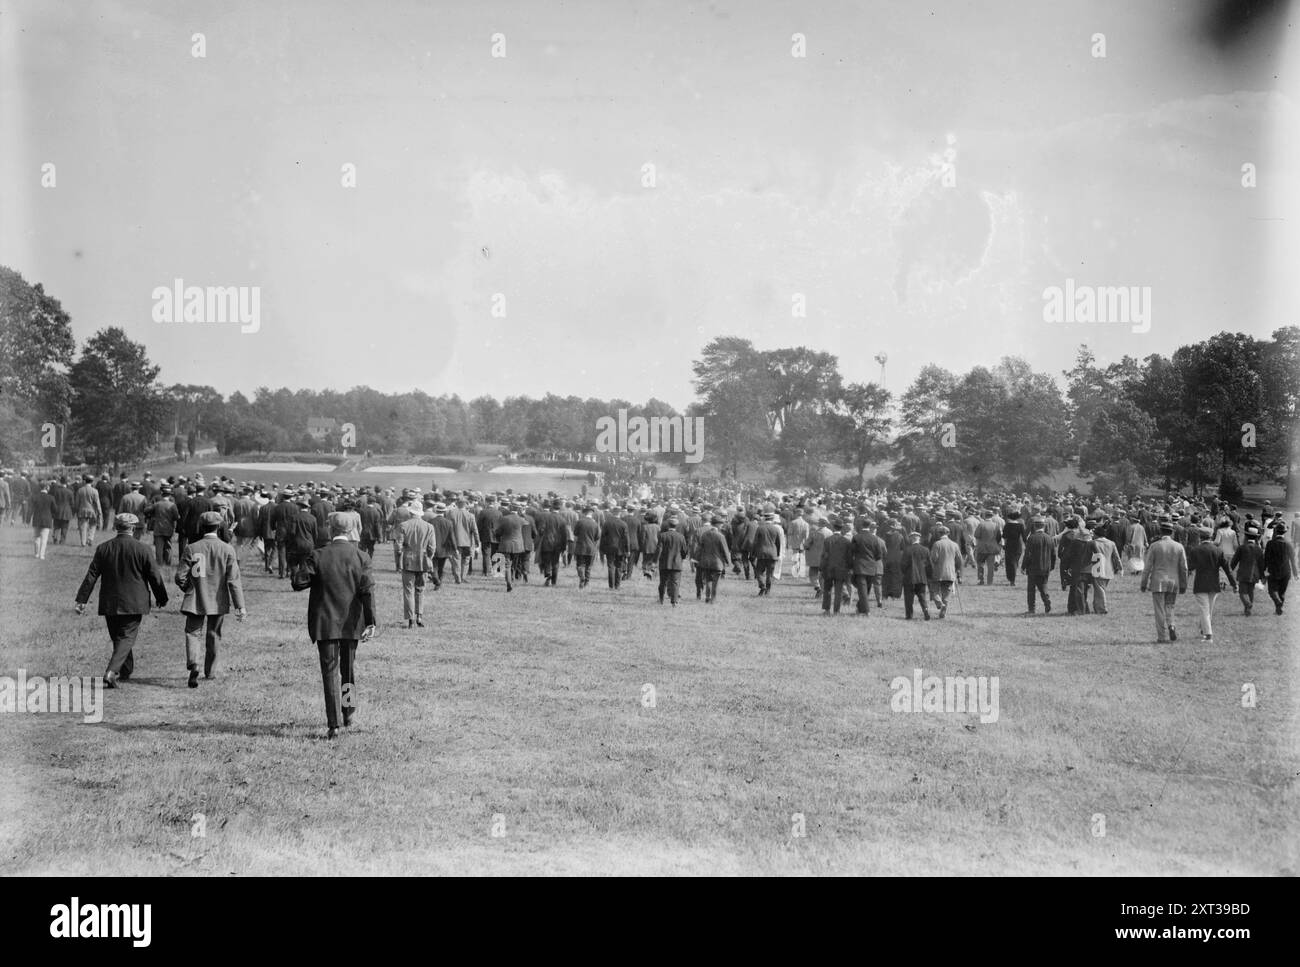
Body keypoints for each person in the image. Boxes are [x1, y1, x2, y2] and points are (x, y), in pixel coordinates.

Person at [297, 514, 376, 739]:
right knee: (347, 670)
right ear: (351, 529)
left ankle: (333, 724)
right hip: (351, 623)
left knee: (329, 673)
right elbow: (367, 591)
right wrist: (371, 622)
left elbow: (298, 582)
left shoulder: (318, 555)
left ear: (330, 529)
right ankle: (348, 711)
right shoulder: (361, 556)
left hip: (325, 622)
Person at [74, 513, 169, 687]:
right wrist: (161, 597)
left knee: (119, 637)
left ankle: (126, 669)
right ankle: (111, 672)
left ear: (116, 527)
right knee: (126, 637)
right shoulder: (143, 549)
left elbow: (92, 575)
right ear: (133, 528)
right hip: (134, 602)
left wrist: (82, 599)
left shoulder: (103, 548)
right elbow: (155, 576)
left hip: (110, 602)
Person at [177, 511, 247, 686]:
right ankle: (210, 671)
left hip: (195, 598)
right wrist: (240, 606)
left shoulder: (191, 548)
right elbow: (234, 581)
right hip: (218, 599)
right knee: (214, 634)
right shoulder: (227, 549)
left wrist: (189, 588)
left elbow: (180, 577)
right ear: (219, 527)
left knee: (192, 632)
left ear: (201, 526)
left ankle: (193, 662)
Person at [1141, 522, 1188, 643]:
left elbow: (1147, 567)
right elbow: (1184, 568)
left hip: (1158, 581)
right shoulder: (1179, 546)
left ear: (1161, 532)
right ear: (1172, 533)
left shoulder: (1155, 546)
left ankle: (1161, 636)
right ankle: (1171, 625)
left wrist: (1143, 583)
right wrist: (1184, 584)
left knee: (1159, 609)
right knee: (1170, 606)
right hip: (1174, 581)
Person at [1186, 525, 1234, 641]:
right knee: (1209, 610)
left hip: (1201, 583)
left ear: (1200, 537)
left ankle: (1208, 635)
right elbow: (1227, 569)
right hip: (1214, 584)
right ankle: (1204, 629)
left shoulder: (1195, 550)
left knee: (1204, 609)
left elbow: (1190, 567)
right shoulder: (1218, 550)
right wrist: (1234, 583)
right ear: (1211, 536)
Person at [395, 505, 437, 623]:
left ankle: (410, 618)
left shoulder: (403, 525)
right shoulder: (429, 527)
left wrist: (399, 559)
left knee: (408, 590)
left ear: (410, 513)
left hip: (408, 560)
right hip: (423, 560)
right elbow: (432, 547)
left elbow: (398, 546)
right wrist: (429, 557)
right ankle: (419, 616)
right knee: (420, 589)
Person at [850, 517, 885, 614]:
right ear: (870, 526)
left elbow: (852, 552)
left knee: (862, 590)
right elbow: (879, 555)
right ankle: (860, 608)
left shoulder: (856, 537)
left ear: (862, 525)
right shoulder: (875, 538)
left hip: (860, 566)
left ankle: (866, 611)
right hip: (871, 567)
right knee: (866, 590)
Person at [1021, 517, 1056, 615]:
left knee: (1031, 589)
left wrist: (1023, 566)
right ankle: (1046, 601)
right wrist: (1052, 566)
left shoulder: (1032, 538)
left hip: (1033, 567)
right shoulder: (1049, 538)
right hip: (1046, 567)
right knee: (1043, 585)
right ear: (1044, 526)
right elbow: (1053, 554)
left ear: (1035, 526)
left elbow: (1027, 554)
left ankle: (1031, 609)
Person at [819, 519, 853, 615]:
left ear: (833, 527)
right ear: (842, 528)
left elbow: (824, 556)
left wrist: (821, 568)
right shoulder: (846, 541)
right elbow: (849, 557)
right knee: (838, 591)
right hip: (841, 569)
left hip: (829, 568)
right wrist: (850, 568)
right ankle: (836, 610)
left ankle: (826, 610)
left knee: (827, 590)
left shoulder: (827, 540)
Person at [695, 514, 731, 603]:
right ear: (717, 524)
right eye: (721, 524)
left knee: (708, 580)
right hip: (717, 562)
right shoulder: (720, 536)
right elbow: (725, 550)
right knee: (716, 581)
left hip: (705, 562)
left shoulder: (704, 535)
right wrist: (728, 562)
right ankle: (713, 598)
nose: (722, 525)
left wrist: (696, 559)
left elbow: (699, 548)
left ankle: (707, 597)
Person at [928, 524, 962, 618]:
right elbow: (959, 560)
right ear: (948, 533)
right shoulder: (955, 544)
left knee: (934, 590)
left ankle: (939, 602)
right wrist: (958, 570)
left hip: (938, 572)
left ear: (939, 534)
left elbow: (934, 558)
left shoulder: (937, 544)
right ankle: (944, 607)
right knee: (946, 593)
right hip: (950, 573)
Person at [1230, 526, 1266, 615]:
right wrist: (1262, 576)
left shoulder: (1242, 547)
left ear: (1246, 536)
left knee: (1242, 592)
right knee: (1250, 591)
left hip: (1243, 572)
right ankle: (1248, 610)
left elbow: (1234, 560)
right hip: (1254, 574)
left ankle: (1248, 604)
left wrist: (1231, 569)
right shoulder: (1259, 549)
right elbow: (1261, 564)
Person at [1089, 520, 1122, 615]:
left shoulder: (1093, 543)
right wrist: (1120, 568)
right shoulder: (1111, 543)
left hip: (1097, 568)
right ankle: (1097, 606)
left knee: (1100, 590)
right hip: (1109, 569)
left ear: (1097, 534)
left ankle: (1102, 608)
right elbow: (1116, 557)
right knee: (1100, 590)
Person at [656, 517, 689, 606]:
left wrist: (656, 560)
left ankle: (661, 599)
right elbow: (684, 551)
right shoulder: (681, 536)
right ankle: (674, 601)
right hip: (677, 563)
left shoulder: (662, 535)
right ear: (676, 526)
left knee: (663, 582)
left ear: (668, 525)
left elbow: (659, 549)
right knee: (675, 583)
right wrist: (682, 558)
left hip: (664, 562)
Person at [901, 531, 932, 620]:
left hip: (909, 577)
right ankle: (925, 610)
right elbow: (929, 565)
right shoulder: (925, 550)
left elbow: (903, 564)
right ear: (919, 539)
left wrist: (904, 572)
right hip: (922, 577)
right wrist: (929, 576)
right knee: (922, 596)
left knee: (908, 598)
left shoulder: (907, 550)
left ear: (911, 539)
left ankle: (909, 615)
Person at [751, 511, 783, 596]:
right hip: (772, 553)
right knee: (770, 573)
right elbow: (778, 543)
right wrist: (778, 553)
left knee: (759, 572)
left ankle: (762, 586)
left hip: (761, 553)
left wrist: (753, 553)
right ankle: (768, 590)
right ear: (772, 519)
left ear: (764, 518)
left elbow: (755, 542)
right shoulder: (776, 529)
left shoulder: (760, 528)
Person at [1263, 522, 1292, 615]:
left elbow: (1266, 558)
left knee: (1272, 590)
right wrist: (1295, 573)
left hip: (1273, 570)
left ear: (1276, 531)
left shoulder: (1270, 543)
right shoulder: (1288, 544)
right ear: (1284, 532)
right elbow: (1293, 559)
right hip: (1286, 571)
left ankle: (1277, 603)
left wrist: (1263, 570)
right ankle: (1279, 609)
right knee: (1282, 592)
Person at [598, 505, 629, 589]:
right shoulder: (623, 524)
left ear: (613, 512)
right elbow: (626, 538)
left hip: (609, 547)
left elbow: (603, 537)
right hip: (620, 548)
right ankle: (617, 585)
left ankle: (611, 586)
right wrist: (628, 550)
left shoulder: (607, 523)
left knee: (610, 566)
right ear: (620, 513)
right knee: (619, 567)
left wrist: (601, 548)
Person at [572, 505, 601, 589]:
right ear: (592, 513)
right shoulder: (595, 524)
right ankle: (586, 582)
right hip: (591, 548)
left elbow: (575, 533)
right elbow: (597, 537)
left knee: (580, 565)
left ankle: (582, 578)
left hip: (581, 547)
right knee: (588, 566)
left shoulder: (579, 522)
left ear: (584, 512)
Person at [30, 481, 55, 559]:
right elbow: (55, 509)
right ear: (46, 487)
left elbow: (30, 509)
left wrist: (28, 519)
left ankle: (36, 554)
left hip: (36, 519)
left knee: (36, 537)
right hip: (47, 519)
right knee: (44, 538)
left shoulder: (34, 497)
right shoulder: (51, 497)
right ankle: (42, 555)